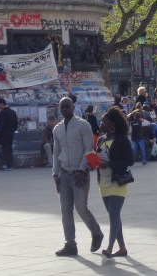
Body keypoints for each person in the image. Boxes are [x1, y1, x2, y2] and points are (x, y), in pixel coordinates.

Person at [52, 96, 103, 257]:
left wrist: (82, 170)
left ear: (73, 107)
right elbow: (56, 152)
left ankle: (96, 233)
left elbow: (89, 149)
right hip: (64, 175)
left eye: (67, 106)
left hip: (79, 174)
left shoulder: (83, 125)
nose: (65, 109)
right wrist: (55, 173)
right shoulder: (57, 129)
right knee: (65, 210)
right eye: (62, 107)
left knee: (81, 208)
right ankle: (70, 244)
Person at [96, 106, 133, 259]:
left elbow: (130, 160)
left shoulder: (122, 139)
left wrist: (110, 163)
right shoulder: (101, 139)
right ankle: (122, 248)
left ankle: (110, 247)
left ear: (112, 123)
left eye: (104, 120)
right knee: (114, 216)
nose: (101, 122)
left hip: (118, 182)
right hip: (104, 182)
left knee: (114, 215)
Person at [0, 98, 18, 171]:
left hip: (3, 134)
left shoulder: (2, 113)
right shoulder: (13, 112)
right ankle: (10, 165)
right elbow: (16, 123)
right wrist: (12, 130)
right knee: (9, 149)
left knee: (5, 149)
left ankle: (7, 165)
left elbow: (1, 124)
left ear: (1, 104)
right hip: (10, 133)